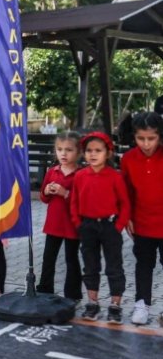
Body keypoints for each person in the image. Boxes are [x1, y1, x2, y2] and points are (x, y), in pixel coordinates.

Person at [70, 131, 130, 324]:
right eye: (89, 151)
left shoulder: (115, 177)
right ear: (84, 153)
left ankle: (115, 306)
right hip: (87, 226)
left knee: (114, 266)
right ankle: (92, 303)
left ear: (108, 153)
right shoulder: (79, 176)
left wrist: (118, 226)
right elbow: (74, 202)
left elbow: (125, 203)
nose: (93, 154)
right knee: (90, 266)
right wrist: (78, 224)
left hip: (109, 226)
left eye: (98, 150)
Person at [121, 112, 163, 325]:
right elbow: (125, 191)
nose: (146, 144)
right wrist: (127, 216)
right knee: (144, 265)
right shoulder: (128, 159)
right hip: (142, 223)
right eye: (141, 138)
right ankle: (141, 304)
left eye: (151, 138)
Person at [38, 131, 82, 303]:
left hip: (72, 225)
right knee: (49, 257)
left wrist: (65, 194)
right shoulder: (52, 171)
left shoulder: (81, 174)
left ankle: (73, 293)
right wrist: (47, 191)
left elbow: (82, 202)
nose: (63, 153)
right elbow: (43, 197)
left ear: (78, 152)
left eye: (69, 150)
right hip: (54, 224)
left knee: (72, 259)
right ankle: (44, 287)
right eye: (60, 149)